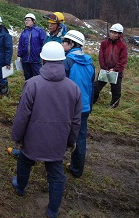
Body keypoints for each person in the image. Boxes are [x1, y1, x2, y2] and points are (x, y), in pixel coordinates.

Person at [11, 41, 82, 218]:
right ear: (62, 61)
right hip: (57, 142)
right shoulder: (74, 88)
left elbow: (22, 115)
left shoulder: (32, 84)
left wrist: (17, 137)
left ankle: (20, 187)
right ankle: (52, 211)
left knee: (25, 162)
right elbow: (76, 121)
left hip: (32, 140)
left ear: (43, 60)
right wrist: (70, 142)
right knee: (56, 175)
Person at [62, 30, 95, 178]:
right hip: (84, 107)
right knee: (80, 138)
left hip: (68, 107)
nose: (62, 44)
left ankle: (51, 161)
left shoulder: (67, 61)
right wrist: (89, 107)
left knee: (58, 134)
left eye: (65, 41)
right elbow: (90, 88)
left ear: (72, 44)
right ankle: (76, 169)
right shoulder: (90, 63)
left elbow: (61, 87)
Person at [93, 23, 128, 108]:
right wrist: (104, 68)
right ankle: (92, 102)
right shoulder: (104, 43)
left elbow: (123, 60)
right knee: (96, 87)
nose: (112, 34)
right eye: (111, 32)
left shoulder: (123, 46)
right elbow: (101, 56)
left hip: (117, 72)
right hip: (105, 70)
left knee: (116, 91)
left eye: (115, 33)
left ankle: (113, 107)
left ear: (120, 35)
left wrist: (115, 69)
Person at [17, 13, 46, 80]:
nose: (26, 21)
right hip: (25, 60)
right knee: (27, 77)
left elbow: (44, 44)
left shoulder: (39, 31)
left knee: (38, 77)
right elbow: (20, 45)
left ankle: (38, 90)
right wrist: (19, 55)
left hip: (36, 60)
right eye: (25, 20)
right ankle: (29, 89)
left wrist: (42, 57)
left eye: (28, 20)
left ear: (33, 21)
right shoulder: (24, 32)